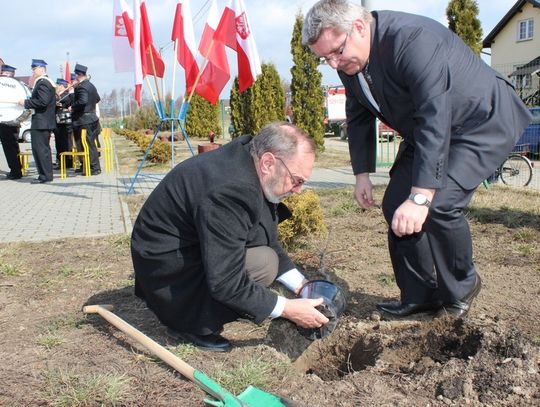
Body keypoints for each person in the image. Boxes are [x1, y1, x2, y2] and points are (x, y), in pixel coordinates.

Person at [302, 0, 532, 318]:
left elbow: (434, 115)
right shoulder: (348, 61)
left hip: (480, 121)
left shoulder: (411, 41)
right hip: (427, 130)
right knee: (396, 204)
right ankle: (421, 294)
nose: (333, 63)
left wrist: (422, 197)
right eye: (324, 58)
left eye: (336, 52)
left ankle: (462, 287)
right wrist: (362, 174)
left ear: (358, 27)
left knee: (439, 205)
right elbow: (357, 116)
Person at [131, 122, 329, 352]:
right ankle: (190, 324)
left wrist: (301, 284)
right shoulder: (230, 191)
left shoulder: (248, 159)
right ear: (268, 163)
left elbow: (264, 234)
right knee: (263, 265)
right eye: (297, 180)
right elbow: (225, 282)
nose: (298, 190)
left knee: (266, 260)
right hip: (167, 274)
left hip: (180, 251)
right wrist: (287, 309)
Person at [19, 59, 56, 184]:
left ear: (42, 69)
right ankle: (45, 175)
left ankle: (45, 176)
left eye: (35, 69)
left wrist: (25, 103)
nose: (33, 71)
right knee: (42, 149)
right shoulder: (44, 82)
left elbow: (43, 102)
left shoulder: (43, 83)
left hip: (41, 121)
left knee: (40, 150)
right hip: (43, 121)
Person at [69, 63, 101, 175]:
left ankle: (93, 167)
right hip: (91, 117)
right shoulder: (91, 85)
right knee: (88, 143)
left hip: (83, 119)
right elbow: (97, 99)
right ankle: (86, 165)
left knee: (86, 144)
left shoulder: (81, 86)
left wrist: (72, 106)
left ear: (77, 75)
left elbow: (82, 101)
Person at [0, 64, 23, 180]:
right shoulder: (18, 85)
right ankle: (17, 169)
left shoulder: (10, 84)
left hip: (6, 121)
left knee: (9, 147)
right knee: (13, 146)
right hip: (14, 120)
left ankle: (16, 171)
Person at [53, 79, 73, 169]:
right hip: (58, 123)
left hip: (64, 123)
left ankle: (67, 162)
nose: (56, 87)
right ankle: (61, 161)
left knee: (65, 143)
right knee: (59, 143)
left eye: (57, 85)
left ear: (61, 86)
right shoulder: (57, 95)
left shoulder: (66, 95)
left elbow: (65, 103)